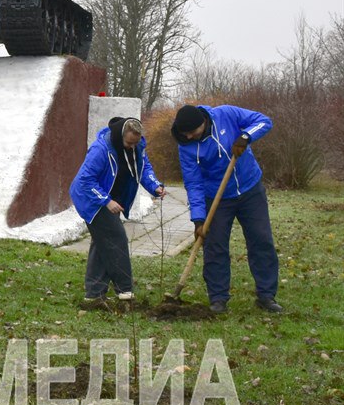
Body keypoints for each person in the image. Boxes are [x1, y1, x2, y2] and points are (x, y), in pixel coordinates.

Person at [172, 104, 282, 313]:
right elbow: (193, 183)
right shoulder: (185, 146)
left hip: (250, 189)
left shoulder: (226, 114)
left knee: (261, 240)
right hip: (216, 198)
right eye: (184, 134)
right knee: (215, 246)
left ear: (203, 123)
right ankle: (218, 299)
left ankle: (266, 296)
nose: (188, 137)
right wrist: (198, 218)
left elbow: (264, 121)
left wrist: (246, 137)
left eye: (192, 132)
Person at [68, 117, 165, 304]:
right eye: (129, 142)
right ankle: (125, 290)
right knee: (117, 238)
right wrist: (106, 200)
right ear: (121, 135)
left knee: (102, 242)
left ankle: (94, 293)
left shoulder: (138, 147)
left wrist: (155, 186)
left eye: (135, 143)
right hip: (91, 200)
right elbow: (85, 180)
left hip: (113, 200)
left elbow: (144, 169)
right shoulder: (101, 149)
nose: (132, 146)